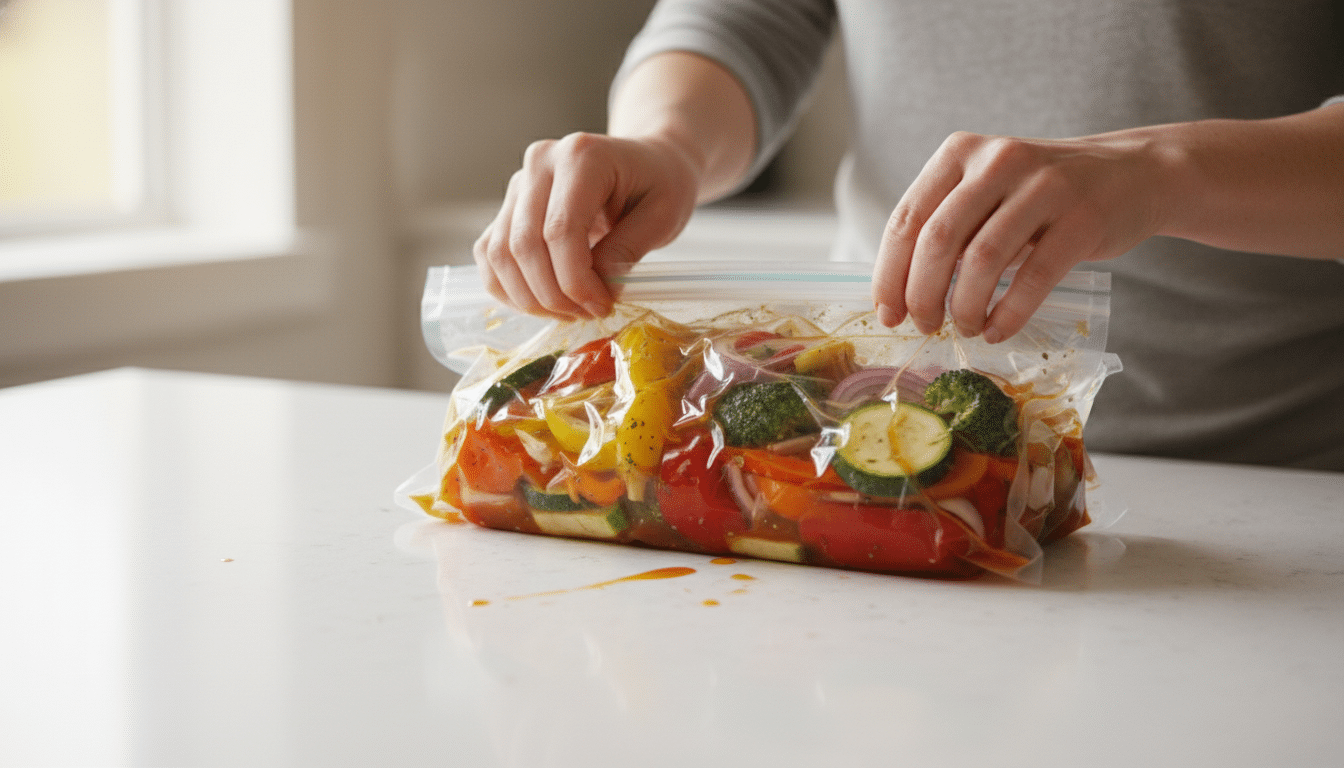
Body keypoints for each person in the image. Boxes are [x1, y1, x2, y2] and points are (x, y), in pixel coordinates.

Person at [472, 0, 1344, 470]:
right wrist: (666, 142)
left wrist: (1160, 171)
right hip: (864, 439)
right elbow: (745, 16)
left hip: (1276, 478)